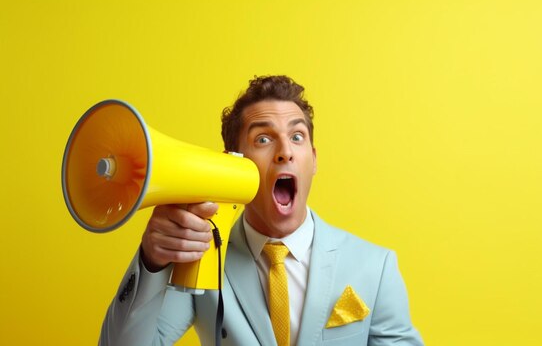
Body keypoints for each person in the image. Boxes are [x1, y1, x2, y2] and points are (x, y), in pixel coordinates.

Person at [99, 75, 424, 346]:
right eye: (264, 139)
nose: (285, 152)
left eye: (297, 136)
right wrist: (152, 261)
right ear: (233, 162)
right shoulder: (205, 259)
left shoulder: (375, 266)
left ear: (313, 159)